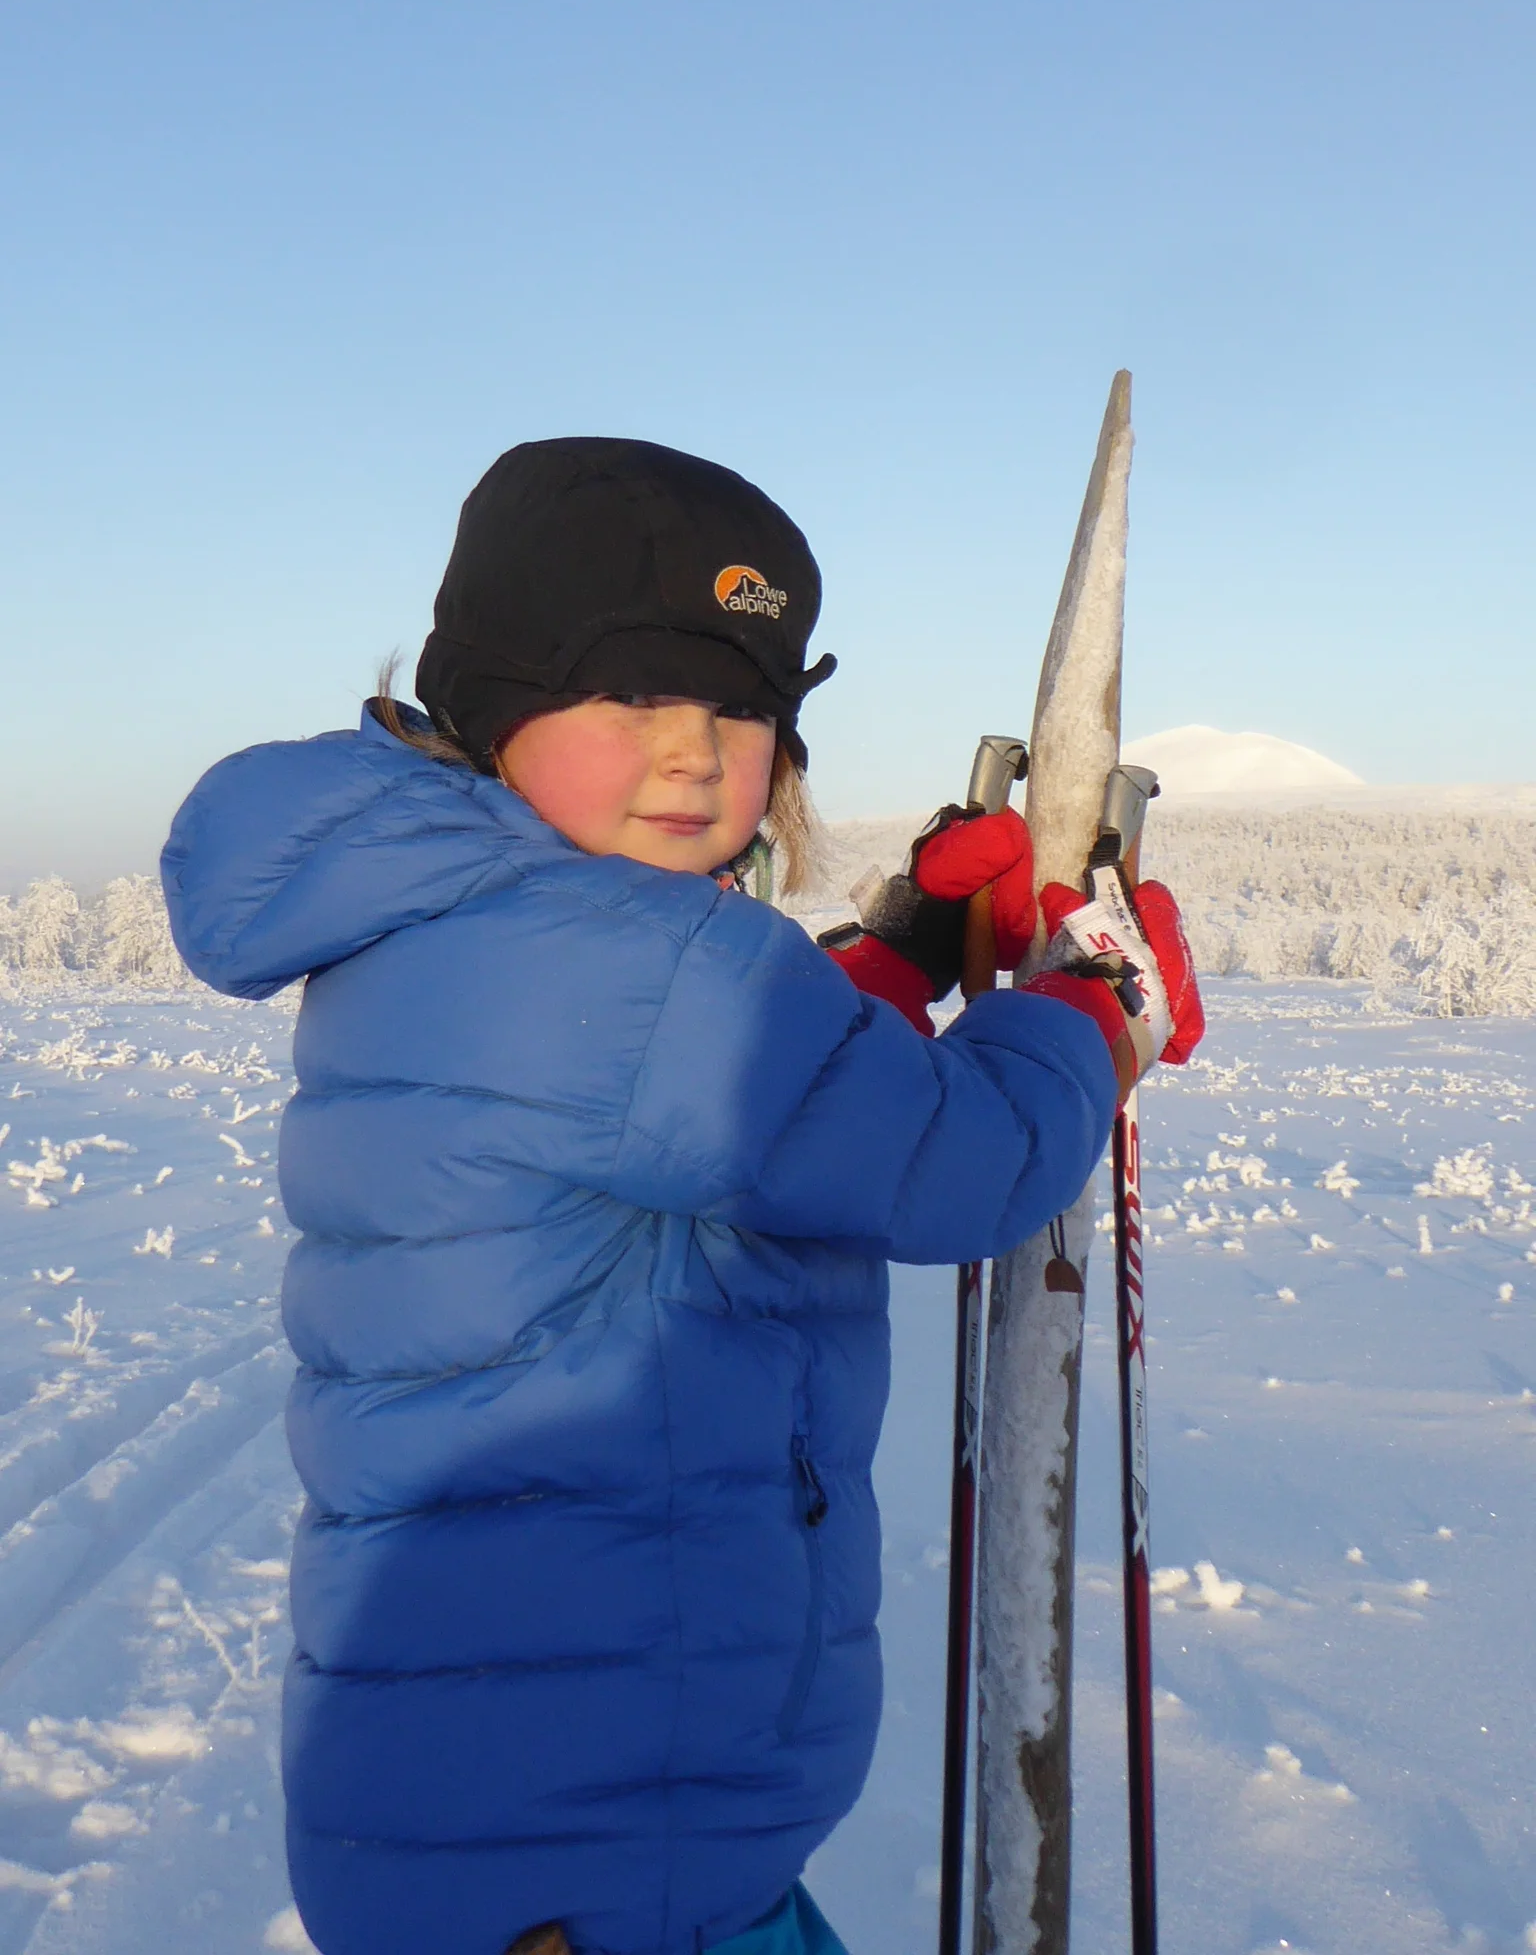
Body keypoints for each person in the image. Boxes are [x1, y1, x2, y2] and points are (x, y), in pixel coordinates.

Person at [161, 437, 1203, 1955]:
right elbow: (951, 1156)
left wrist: (900, 954)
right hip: (603, 1856)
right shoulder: (616, 965)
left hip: (514, 1803)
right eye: (635, 690)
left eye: (740, 704)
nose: (695, 749)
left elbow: (725, 1111)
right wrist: (1095, 1005)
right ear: (497, 703)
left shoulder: (479, 915)